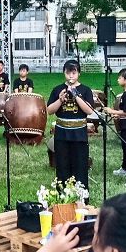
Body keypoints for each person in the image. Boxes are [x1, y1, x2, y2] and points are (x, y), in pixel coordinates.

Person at [47, 60, 95, 190]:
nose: (71, 76)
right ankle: (63, 193)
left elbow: (89, 110)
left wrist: (76, 95)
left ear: (79, 74)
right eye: (68, 73)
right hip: (62, 132)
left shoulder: (85, 90)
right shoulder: (57, 89)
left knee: (80, 163)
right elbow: (49, 110)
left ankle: (81, 194)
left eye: (74, 73)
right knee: (62, 164)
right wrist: (60, 100)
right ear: (64, 73)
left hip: (79, 132)